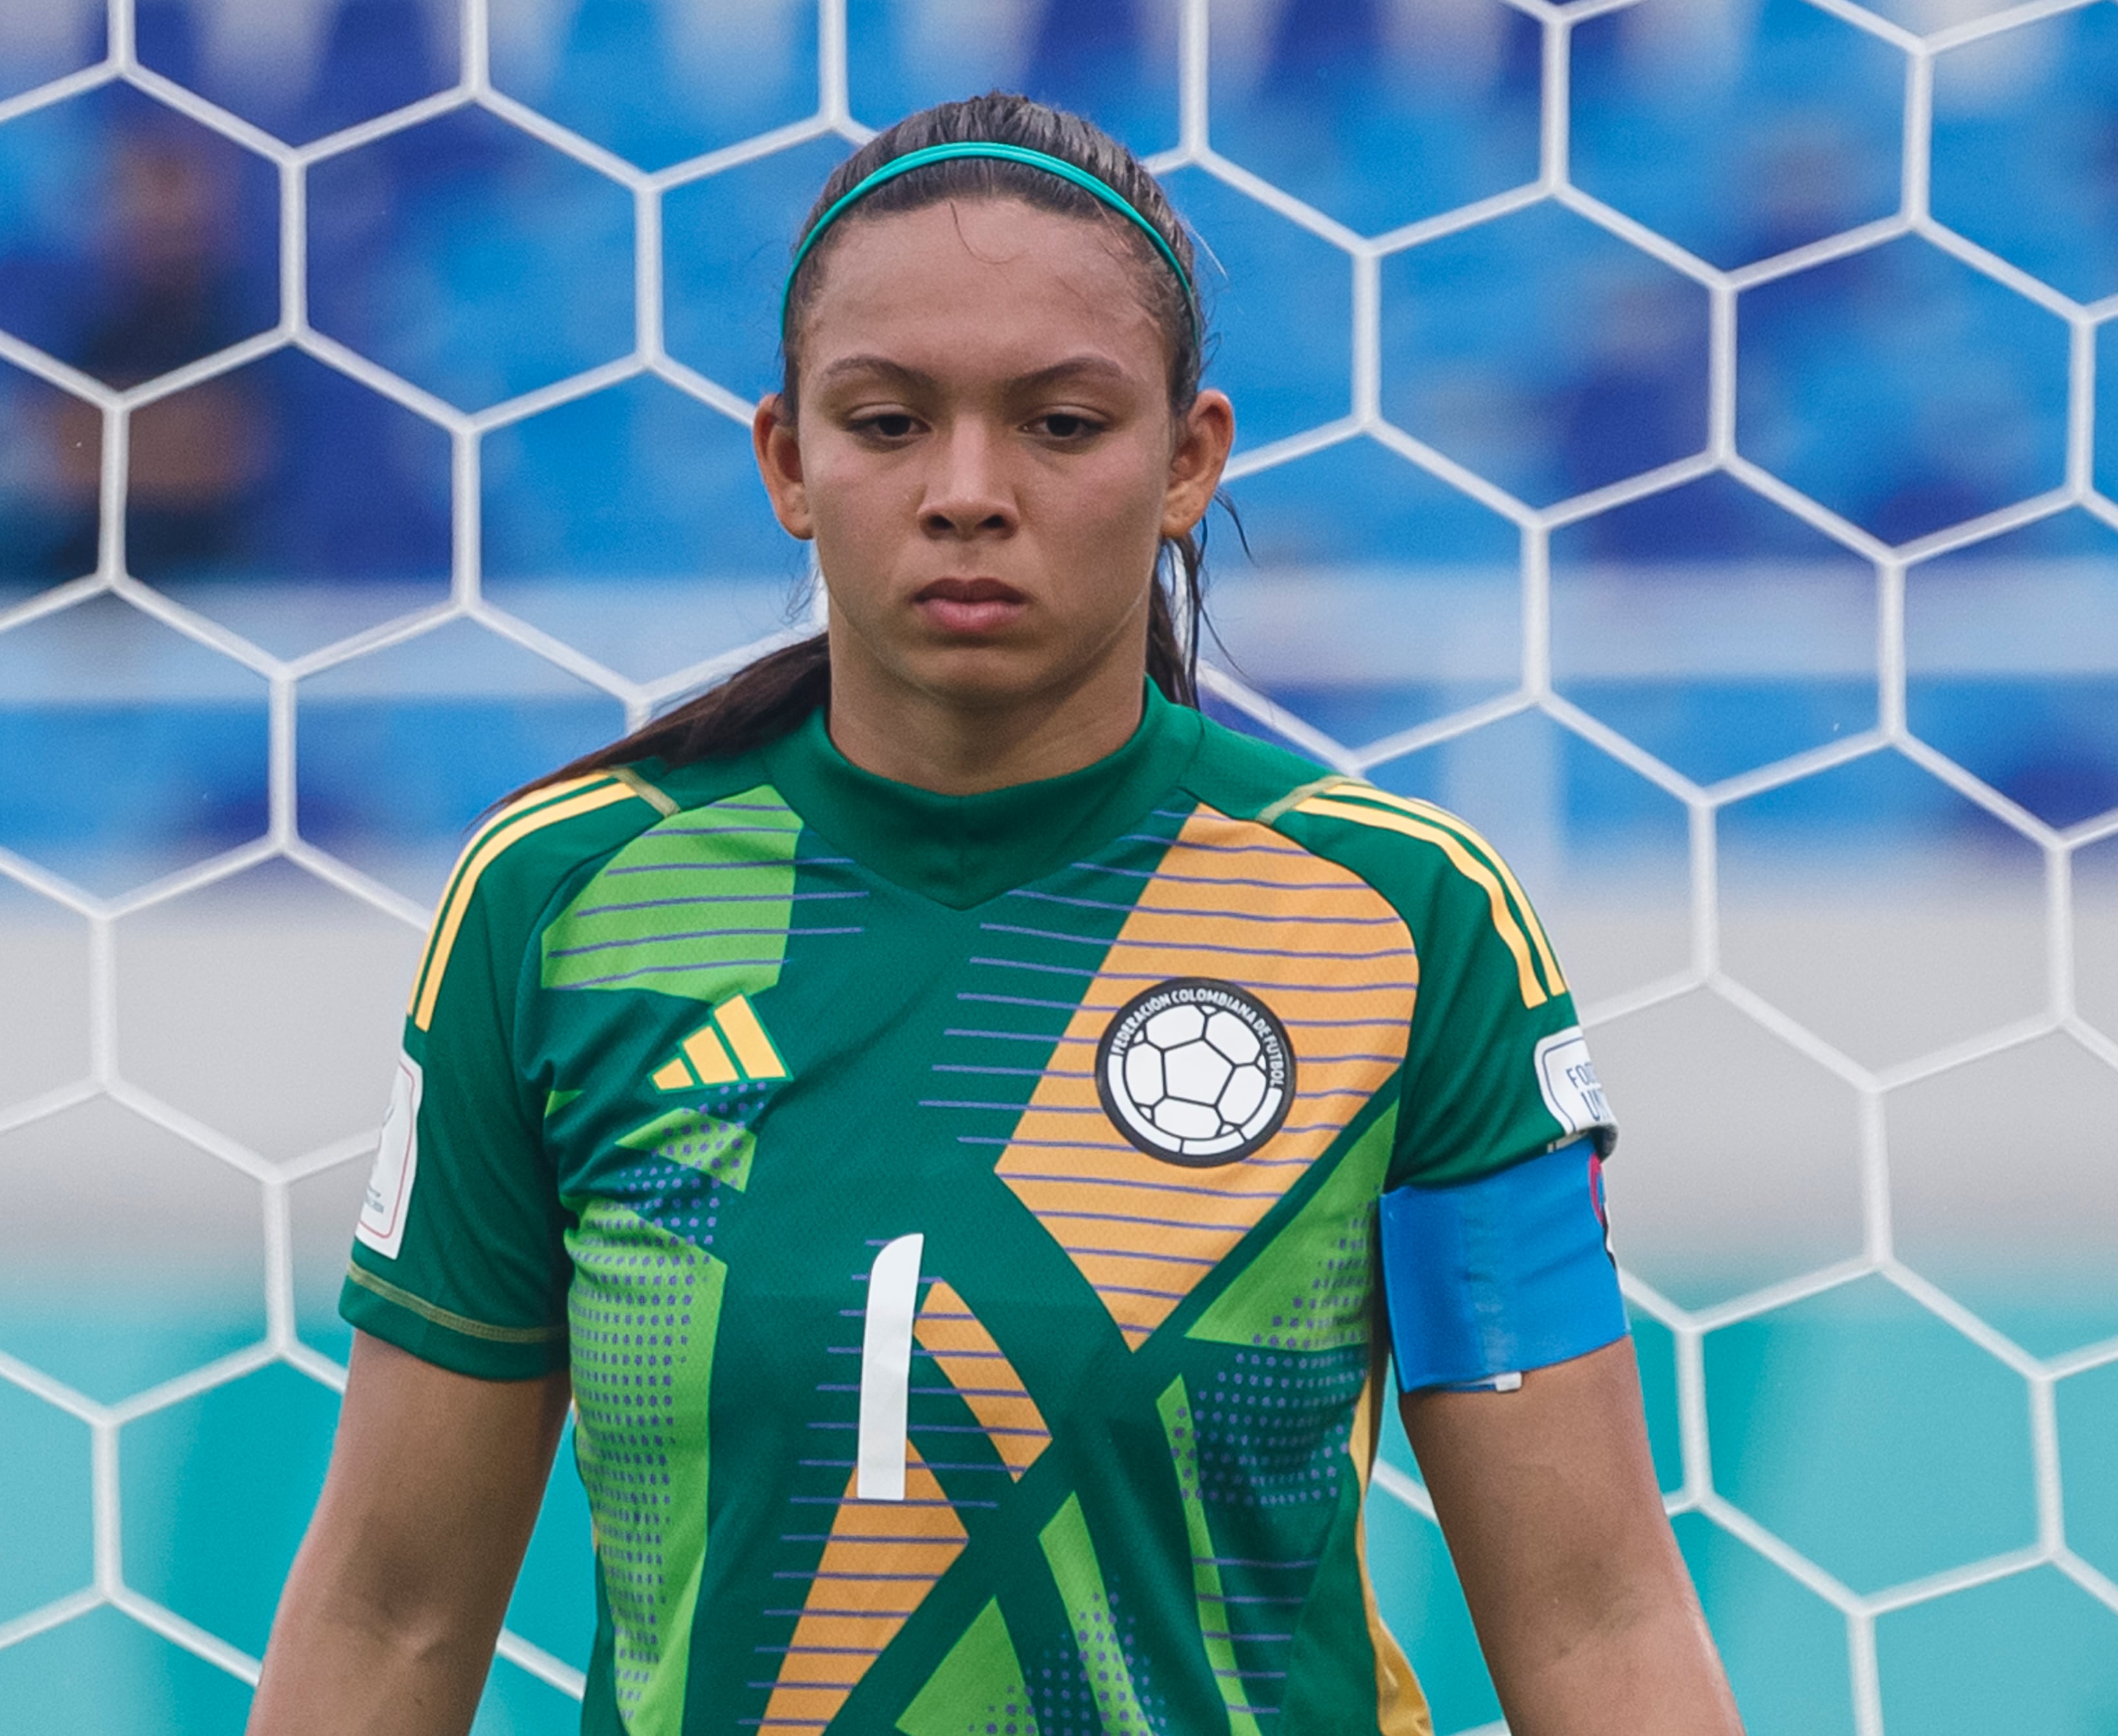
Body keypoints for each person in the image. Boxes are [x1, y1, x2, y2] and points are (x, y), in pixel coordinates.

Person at [253, 93, 1740, 1736]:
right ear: (785, 462)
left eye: (1059, 424)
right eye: (887, 423)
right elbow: (389, 1611)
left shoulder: (1406, 924)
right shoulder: (561, 902)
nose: (967, 490)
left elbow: (1596, 1615)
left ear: (1186, 459)